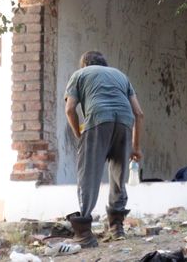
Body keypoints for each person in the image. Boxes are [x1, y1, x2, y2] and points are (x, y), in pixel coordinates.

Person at [64, 50, 144, 248]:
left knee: (88, 176)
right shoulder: (121, 76)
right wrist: (136, 147)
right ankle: (117, 227)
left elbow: (69, 109)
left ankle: (84, 234)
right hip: (125, 122)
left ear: (84, 64)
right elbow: (139, 113)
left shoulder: (79, 75)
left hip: (98, 120)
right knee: (119, 176)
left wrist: (78, 135)